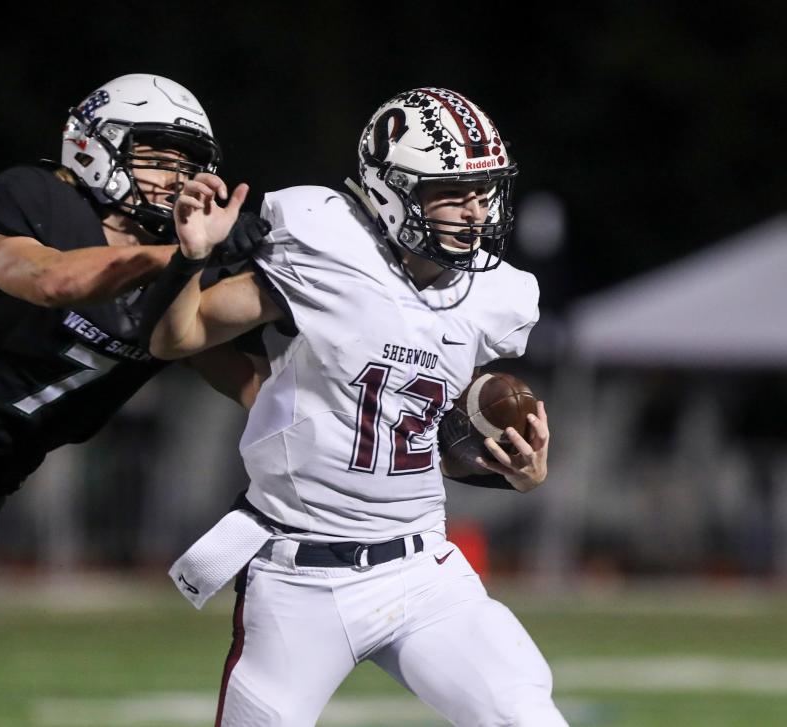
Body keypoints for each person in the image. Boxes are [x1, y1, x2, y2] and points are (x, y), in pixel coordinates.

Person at [0, 73, 263, 727]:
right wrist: (177, 253)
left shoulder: (173, 282)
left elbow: (250, 381)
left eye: (184, 167)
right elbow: (54, 279)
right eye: (153, 158)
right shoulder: (36, 199)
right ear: (92, 146)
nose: (171, 181)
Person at [147, 87, 567, 726]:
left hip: (423, 570)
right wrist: (189, 263)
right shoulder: (325, 239)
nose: (475, 212)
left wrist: (514, 470)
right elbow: (177, 338)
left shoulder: (495, 295)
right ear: (391, 189)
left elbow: (414, 421)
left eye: (485, 192)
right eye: (452, 192)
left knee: (525, 717)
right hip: (299, 576)